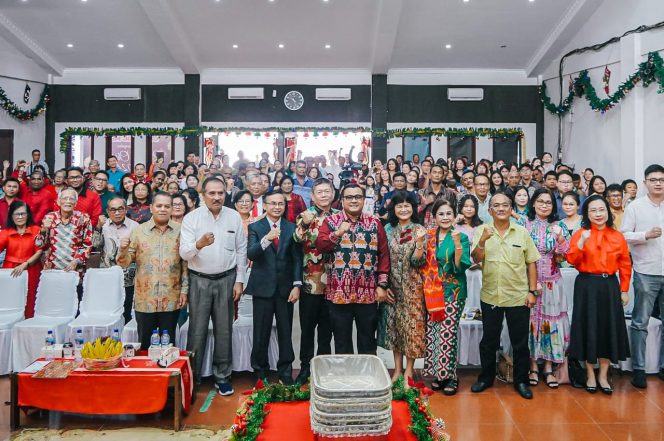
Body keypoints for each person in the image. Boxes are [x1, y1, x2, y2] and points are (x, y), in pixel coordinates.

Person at [180, 177, 247, 395]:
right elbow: (184, 253)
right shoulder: (192, 219)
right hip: (199, 279)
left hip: (227, 279)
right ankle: (193, 376)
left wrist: (239, 280)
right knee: (196, 331)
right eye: (212, 193)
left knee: (224, 330)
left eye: (220, 193)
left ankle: (222, 376)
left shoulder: (234, 217)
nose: (217, 197)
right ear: (203, 195)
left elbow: (241, 251)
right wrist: (199, 244)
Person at [470, 191, 541, 399]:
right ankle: (485, 378)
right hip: (490, 295)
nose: (501, 208)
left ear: (511, 209)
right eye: (496, 205)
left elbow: (531, 263)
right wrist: (482, 241)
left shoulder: (521, 232)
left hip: (518, 296)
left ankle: (521, 381)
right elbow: (475, 258)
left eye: (505, 205)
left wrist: (532, 291)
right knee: (489, 341)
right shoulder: (481, 230)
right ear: (490, 210)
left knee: (520, 342)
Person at [567, 194, 632, 394]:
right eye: (593, 210)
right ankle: (589, 374)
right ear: (587, 213)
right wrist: (580, 243)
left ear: (608, 212)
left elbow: (625, 264)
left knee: (607, 328)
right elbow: (571, 260)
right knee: (588, 327)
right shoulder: (581, 233)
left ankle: (603, 375)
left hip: (609, 285)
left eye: (601, 209)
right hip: (586, 285)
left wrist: (624, 289)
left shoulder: (617, 235)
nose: (598, 214)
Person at [316, 184, 390, 354]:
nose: (354, 200)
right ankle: (346, 378)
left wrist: (382, 285)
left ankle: (367, 378)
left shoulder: (374, 223)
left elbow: (384, 255)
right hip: (339, 293)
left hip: (368, 292)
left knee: (367, 341)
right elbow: (320, 246)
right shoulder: (331, 222)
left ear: (364, 200)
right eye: (349, 197)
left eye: (358, 197)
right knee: (342, 342)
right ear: (342, 201)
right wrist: (337, 233)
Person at [118, 192, 188, 354]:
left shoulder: (181, 231)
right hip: (145, 298)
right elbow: (125, 262)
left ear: (171, 209)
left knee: (168, 345)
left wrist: (184, 290)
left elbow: (185, 264)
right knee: (145, 345)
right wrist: (122, 249)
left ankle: (166, 377)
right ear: (151, 208)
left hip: (171, 296)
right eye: (159, 206)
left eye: (167, 206)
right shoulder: (139, 231)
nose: (163, 209)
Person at [246, 190, 302, 384]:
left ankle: (285, 371)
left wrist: (297, 285)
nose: (277, 207)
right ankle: (260, 371)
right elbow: (251, 254)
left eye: (280, 203)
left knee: (285, 332)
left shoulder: (291, 227)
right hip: (262, 288)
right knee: (261, 331)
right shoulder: (256, 227)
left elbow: (296, 259)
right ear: (265, 206)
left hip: (285, 288)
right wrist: (267, 239)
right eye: (273, 203)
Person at [519, 188, 569, 389]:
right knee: (529, 322)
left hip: (551, 282)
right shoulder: (524, 224)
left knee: (550, 322)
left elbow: (565, 255)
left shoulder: (558, 226)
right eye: (540, 201)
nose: (544, 205)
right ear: (533, 203)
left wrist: (561, 240)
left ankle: (548, 367)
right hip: (527, 280)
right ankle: (532, 366)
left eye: (548, 202)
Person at [421, 198, 471, 395]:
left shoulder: (461, 237)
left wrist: (458, 245)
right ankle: (438, 375)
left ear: (454, 215)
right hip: (431, 292)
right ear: (434, 217)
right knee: (433, 333)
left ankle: (451, 376)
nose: (445, 217)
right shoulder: (429, 236)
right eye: (441, 214)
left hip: (453, 292)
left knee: (448, 334)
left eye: (448, 213)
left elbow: (460, 267)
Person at [377, 191, 427, 387]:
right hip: (391, 286)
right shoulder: (387, 229)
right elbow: (381, 257)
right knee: (394, 329)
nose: (404, 209)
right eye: (399, 205)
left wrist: (420, 244)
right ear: (393, 209)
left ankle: (409, 372)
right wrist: (384, 285)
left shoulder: (419, 230)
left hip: (413, 287)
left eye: (408, 205)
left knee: (411, 329)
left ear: (413, 208)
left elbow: (418, 261)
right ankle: (397, 370)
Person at [621, 164, 664, 388]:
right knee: (640, 322)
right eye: (653, 179)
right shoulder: (636, 207)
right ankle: (638, 368)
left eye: (662, 180)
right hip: (646, 271)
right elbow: (624, 235)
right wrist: (645, 235)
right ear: (645, 182)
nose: (658, 183)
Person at [293, 178, 338, 384]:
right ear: (312, 196)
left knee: (327, 329)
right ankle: (305, 367)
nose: (323, 195)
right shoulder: (305, 216)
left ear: (333, 194)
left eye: (327, 191)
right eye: (319, 192)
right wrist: (305, 221)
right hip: (310, 281)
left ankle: (324, 367)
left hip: (335, 283)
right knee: (308, 328)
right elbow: (296, 238)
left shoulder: (339, 217)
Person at [0, 201, 44, 318]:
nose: (20, 217)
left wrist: (26, 264)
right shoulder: (5, 232)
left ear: (28, 215)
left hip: (31, 269)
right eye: (17, 214)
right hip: (10, 270)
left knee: (30, 299)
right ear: (11, 216)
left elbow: (39, 251)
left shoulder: (36, 230)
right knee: (10, 299)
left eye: (23, 214)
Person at [100, 197, 138, 324]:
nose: (117, 213)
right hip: (107, 273)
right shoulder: (103, 226)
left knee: (126, 310)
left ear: (126, 209)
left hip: (127, 275)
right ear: (108, 211)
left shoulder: (135, 226)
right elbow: (94, 245)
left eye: (120, 209)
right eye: (113, 210)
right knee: (107, 309)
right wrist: (97, 228)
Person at [42, 188, 93, 281]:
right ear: (58, 201)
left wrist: (77, 261)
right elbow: (40, 245)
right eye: (65, 198)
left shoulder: (83, 218)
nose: (68, 201)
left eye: (71, 199)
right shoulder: (50, 217)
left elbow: (87, 244)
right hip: (52, 268)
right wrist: (43, 229)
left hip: (75, 269)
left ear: (76, 203)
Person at [418, 164, 457, 229]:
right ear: (430, 175)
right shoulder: (421, 192)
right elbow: (414, 213)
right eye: (434, 172)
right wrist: (425, 203)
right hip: (425, 228)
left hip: (444, 228)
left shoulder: (449, 193)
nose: (437, 175)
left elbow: (453, 213)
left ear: (443, 176)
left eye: (440, 173)